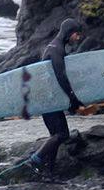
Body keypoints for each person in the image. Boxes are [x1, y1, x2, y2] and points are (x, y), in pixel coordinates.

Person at [28, 18, 85, 179]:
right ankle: (36, 159)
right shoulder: (56, 49)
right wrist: (73, 98)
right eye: (76, 34)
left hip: (49, 98)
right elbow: (61, 77)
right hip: (47, 100)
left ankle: (49, 174)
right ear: (68, 33)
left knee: (57, 135)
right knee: (62, 135)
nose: (78, 37)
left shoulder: (54, 47)